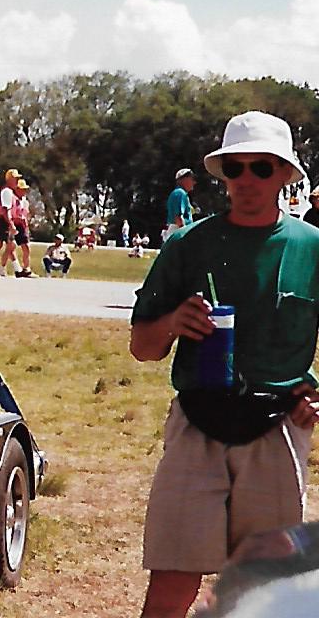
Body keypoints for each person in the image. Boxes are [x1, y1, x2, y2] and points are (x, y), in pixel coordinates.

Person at [129, 110, 319, 618]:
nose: (247, 180)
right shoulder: (188, 245)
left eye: (262, 167)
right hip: (197, 425)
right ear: (222, 174)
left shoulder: (312, 248)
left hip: (276, 429)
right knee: (172, 578)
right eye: (235, 168)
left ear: (285, 174)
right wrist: (172, 320)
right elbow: (142, 347)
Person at [164, 167, 196, 242]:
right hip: (178, 230)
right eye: (192, 179)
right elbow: (178, 217)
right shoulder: (179, 193)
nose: (194, 182)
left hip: (177, 229)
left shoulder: (180, 193)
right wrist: (184, 234)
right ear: (184, 180)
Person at [11, 178, 34, 277]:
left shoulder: (24, 201)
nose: (24, 191)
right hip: (16, 225)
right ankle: (15, 268)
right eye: (22, 189)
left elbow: (26, 214)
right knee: (10, 247)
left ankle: (26, 268)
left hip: (23, 226)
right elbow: (12, 214)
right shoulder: (14, 200)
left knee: (26, 248)